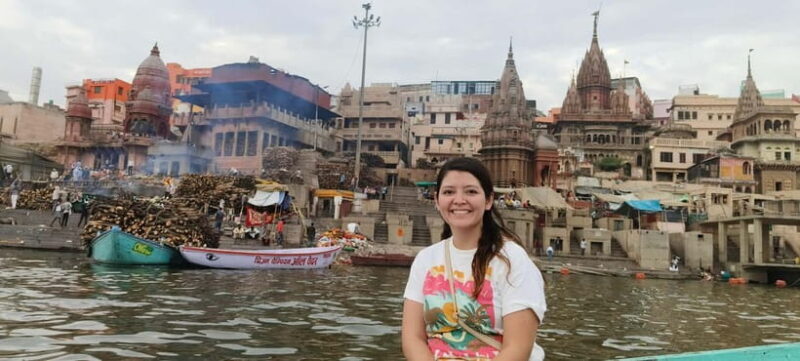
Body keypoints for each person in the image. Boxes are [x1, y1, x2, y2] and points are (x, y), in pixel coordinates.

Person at [402, 157, 546, 361]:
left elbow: (517, 348)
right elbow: (412, 338)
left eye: (470, 191)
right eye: (449, 192)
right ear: (436, 200)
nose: (459, 200)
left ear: (488, 200)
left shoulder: (512, 260)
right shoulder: (426, 259)